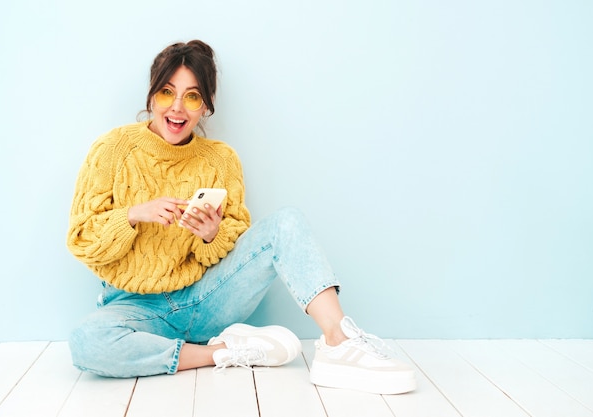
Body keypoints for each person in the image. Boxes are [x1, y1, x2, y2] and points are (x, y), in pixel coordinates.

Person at [67, 40, 416, 395]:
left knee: (287, 221)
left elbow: (233, 239)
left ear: (206, 106)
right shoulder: (113, 149)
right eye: (166, 93)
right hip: (134, 310)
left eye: (192, 96)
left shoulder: (221, 160)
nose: (176, 108)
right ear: (151, 96)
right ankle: (221, 352)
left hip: (205, 300)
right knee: (86, 342)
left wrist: (211, 235)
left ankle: (339, 342)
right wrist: (133, 214)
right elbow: (81, 239)